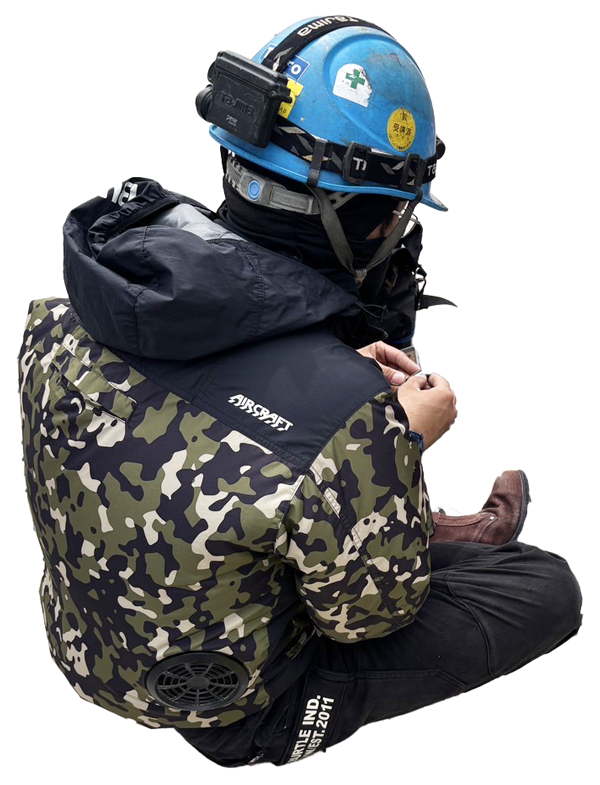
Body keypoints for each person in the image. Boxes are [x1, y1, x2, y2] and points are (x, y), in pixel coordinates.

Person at [17, 15, 582, 768]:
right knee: (546, 588)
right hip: (235, 704)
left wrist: (334, 406)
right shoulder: (345, 415)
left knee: (310, 475)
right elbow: (369, 617)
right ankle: (381, 516)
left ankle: (386, 516)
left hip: (85, 648)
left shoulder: (69, 310)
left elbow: (196, 425)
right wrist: (388, 442)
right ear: (374, 214)